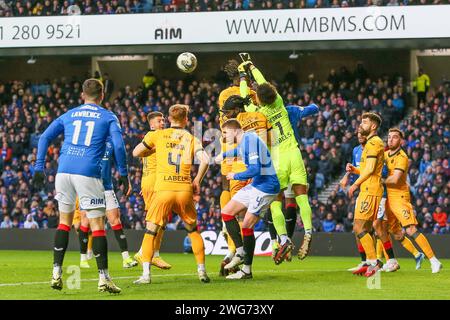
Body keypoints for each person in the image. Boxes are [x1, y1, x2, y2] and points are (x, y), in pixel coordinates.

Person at [32, 78, 129, 293]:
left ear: (82, 95)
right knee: (97, 225)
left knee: (64, 223)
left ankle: (56, 273)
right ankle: (104, 279)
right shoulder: (108, 116)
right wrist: (124, 174)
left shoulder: (69, 114)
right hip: (88, 173)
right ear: (102, 95)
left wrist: (39, 167)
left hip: (63, 172)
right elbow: (119, 146)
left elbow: (44, 137)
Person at [240, 59, 313, 263]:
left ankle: (282, 240)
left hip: (278, 158)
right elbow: (264, 83)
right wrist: (252, 66)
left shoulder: (259, 113)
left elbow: (245, 98)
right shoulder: (280, 102)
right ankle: (308, 231)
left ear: (260, 100)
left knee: (275, 202)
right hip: (294, 153)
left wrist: (243, 77)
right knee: (301, 197)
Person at [133, 104, 210, 284]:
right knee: (193, 230)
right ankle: (202, 272)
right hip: (184, 188)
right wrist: (197, 180)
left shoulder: (158, 135)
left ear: (168, 119)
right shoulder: (191, 137)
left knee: (151, 230)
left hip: (163, 190)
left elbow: (136, 152)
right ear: (186, 120)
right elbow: (205, 160)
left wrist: (154, 150)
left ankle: (146, 275)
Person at [215, 119, 280, 280]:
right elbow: (238, 151)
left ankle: (246, 270)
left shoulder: (250, 140)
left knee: (246, 225)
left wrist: (234, 175)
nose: (224, 137)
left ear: (235, 131)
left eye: (225, 133)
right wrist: (222, 155)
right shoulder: (245, 140)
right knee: (227, 212)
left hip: (266, 187)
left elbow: (255, 168)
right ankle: (240, 251)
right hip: (257, 185)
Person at [217, 60, 257, 275]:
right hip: (251, 163)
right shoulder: (251, 96)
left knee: (232, 211)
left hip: (234, 160)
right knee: (241, 216)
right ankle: (238, 258)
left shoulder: (223, 95)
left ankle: (234, 253)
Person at [384, 128, 442, 273]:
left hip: (400, 196)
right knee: (390, 231)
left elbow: (396, 179)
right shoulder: (384, 155)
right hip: (387, 197)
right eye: (389, 137)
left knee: (410, 229)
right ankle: (391, 262)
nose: (391, 140)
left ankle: (434, 260)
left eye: (395, 137)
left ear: (401, 141)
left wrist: (380, 180)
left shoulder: (402, 157)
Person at [346, 112, 385, 277]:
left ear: (373, 126)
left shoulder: (374, 143)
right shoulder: (370, 143)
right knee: (365, 229)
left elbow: (369, 170)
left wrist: (355, 184)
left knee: (358, 227)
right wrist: (354, 170)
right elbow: (367, 168)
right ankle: (370, 262)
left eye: (365, 121)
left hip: (370, 190)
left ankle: (373, 262)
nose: (361, 124)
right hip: (368, 190)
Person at [133, 111, 172, 270]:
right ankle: (147, 253)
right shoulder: (154, 136)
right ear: (151, 125)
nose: (162, 123)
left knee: (161, 219)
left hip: (153, 181)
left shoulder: (152, 139)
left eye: (163, 120)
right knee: (155, 220)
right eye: (159, 121)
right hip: (155, 182)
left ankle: (152, 253)